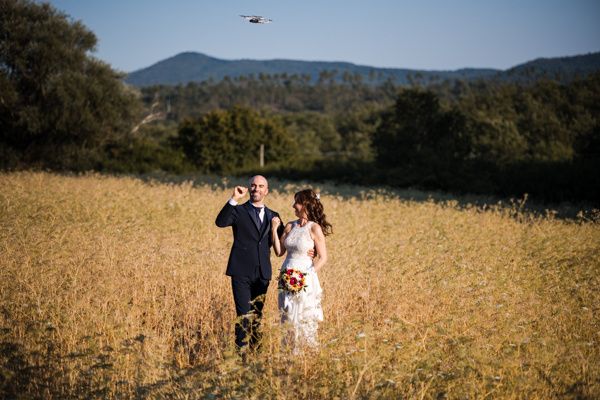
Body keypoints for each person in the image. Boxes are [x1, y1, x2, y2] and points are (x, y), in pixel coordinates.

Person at [215, 175, 282, 355]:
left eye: (260, 186)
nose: (256, 189)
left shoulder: (274, 216)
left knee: (257, 318)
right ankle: (241, 358)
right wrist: (234, 198)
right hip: (241, 272)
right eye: (253, 185)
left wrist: (311, 250)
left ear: (266, 191)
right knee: (244, 317)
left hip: (262, 274)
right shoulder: (238, 211)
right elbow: (220, 222)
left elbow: (284, 243)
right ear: (249, 188)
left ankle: (256, 356)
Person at [271, 188, 332, 352]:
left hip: (304, 277)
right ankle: (289, 353)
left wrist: (306, 275)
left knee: (303, 315)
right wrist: (273, 230)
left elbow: (323, 257)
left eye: (296, 202)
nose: (293, 206)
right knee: (288, 315)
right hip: (287, 274)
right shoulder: (290, 226)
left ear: (305, 205)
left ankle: (306, 353)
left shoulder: (314, 228)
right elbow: (279, 252)